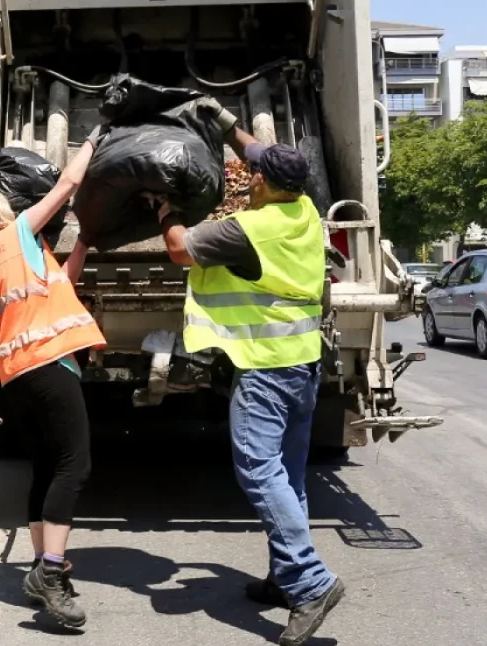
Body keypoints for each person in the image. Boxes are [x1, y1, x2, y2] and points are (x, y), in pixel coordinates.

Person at [154, 113, 344, 646]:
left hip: (265, 369)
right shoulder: (305, 209)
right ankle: (285, 578)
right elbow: (260, 152)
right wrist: (227, 123)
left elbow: (178, 250)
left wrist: (167, 210)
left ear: (260, 182)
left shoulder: (249, 230)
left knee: (260, 474)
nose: (249, 171)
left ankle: (310, 582)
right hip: (304, 365)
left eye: (254, 170)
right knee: (288, 475)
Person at [0, 129, 105, 630]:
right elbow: (65, 186)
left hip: (19, 374)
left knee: (46, 468)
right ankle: (52, 570)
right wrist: (92, 142)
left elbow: (61, 283)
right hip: (45, 364)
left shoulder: (1, 258)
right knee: (73, 466)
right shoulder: (14, 235)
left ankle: (44, 565)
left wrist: (83, 240)